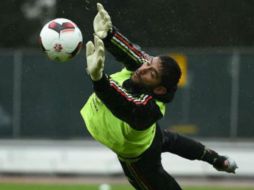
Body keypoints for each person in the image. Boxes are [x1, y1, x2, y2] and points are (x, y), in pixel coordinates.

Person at [81, 3, 238, 190]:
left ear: (160, 90)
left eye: (152, 73)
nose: (143, 68)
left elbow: (124, 103)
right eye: (149, 62)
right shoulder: (144, 67)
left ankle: (218, 161)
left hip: (140, 158)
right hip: (151, 136)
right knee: (171, 141)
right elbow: (132, 52)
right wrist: (109, 34)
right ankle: (217, 160)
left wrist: (99, 80)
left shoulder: (151, 110)